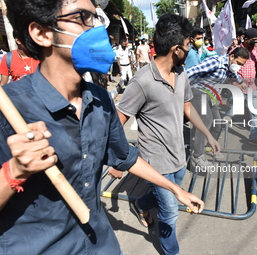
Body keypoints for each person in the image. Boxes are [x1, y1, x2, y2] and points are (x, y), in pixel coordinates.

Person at [0, 1, 204, 254]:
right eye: (82, 17)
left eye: (97, 18)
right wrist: (14, 172)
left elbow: (125, 157)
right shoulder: (9, 108)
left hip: (100, 244)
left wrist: (176, 190)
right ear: (41, 33)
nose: (99, 30)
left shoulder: (100, 99)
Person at [116, 14, 219, 255]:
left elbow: (187, 107)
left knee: (166, 195)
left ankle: (141, 204)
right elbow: (116, 122)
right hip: (155, 161)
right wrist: (117, 158)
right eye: (188, 44)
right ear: (176, 49)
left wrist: (207, 134)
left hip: (178, 157)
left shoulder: (181, 73)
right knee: (170, 212)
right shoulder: (142, 82)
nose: (191, 47)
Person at [187, 47, 249, 166]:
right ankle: (197, 155)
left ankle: (211, 148)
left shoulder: (229, 67)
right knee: (206, 119)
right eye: (239, 63)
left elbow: (234, 75)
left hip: (211, 96)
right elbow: (192, 70)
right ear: (231, 57)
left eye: (242, 64)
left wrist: (241, 82)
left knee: (218, 124)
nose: (239, 66)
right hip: (198, 91)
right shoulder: (215, 62)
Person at [228, 28, 257, 148]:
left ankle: (253, 137)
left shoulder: (255, 51)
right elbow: (228, 70)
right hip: (238, 89)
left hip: (252, 89)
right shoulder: (236, 51)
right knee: (230, 114)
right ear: (246, 39)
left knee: (255, 114)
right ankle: (216, 135)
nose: (255, 42)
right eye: (253, 40)